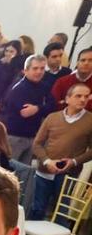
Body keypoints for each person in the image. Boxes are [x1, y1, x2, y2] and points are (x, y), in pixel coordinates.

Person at [30, 83, 92, 222]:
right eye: (78, 96)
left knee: (61, 210)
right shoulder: (52, 117)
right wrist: (47, 161)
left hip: (69, 173)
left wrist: (74, 161)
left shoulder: (90, 120)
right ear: (68, 99)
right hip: (45, 170)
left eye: (86, 96)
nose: (83, 99)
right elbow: (37, 144)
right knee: (37, 208)